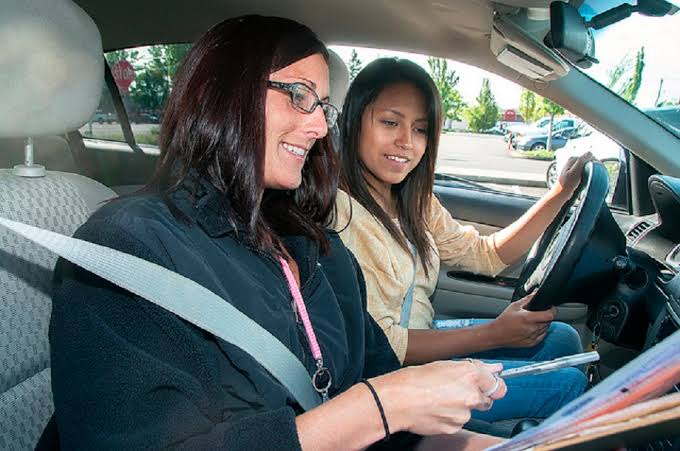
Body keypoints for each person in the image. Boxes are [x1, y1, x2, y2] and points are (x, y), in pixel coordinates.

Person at [46, 16, 509, 450]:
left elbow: (393, 413)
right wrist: (377, 408)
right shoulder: (129, 249)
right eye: (299, 95)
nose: (319, 126)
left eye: (323, 106)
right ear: (226, 92)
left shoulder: (321, 249)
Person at [334, 58, 590, 423]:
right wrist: (494, 334)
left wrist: (560, 193)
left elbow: (485, 255)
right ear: (354, 120)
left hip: (422, 337)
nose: (406, 142)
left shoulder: (412, 200)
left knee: (562, 337)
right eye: (390, 122)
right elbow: (385, 344)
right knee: (568, 386)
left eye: (420, 129)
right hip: (391, 376)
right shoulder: (343, 216)